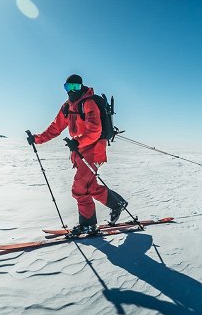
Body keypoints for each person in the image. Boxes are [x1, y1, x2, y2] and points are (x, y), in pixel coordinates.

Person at [28, 74, 128, 237]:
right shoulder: (67, 107)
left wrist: (78, 143)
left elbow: (95, 130)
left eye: (75, 87)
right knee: (90, 186)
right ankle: (117, 203)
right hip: (79, 151)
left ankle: (88, 225)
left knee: (80, 188)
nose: (72, 91)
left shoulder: (88, 103)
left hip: (94, 150)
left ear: (81, 87)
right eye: (68, 87)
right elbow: (55, 128)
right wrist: (37, 139)